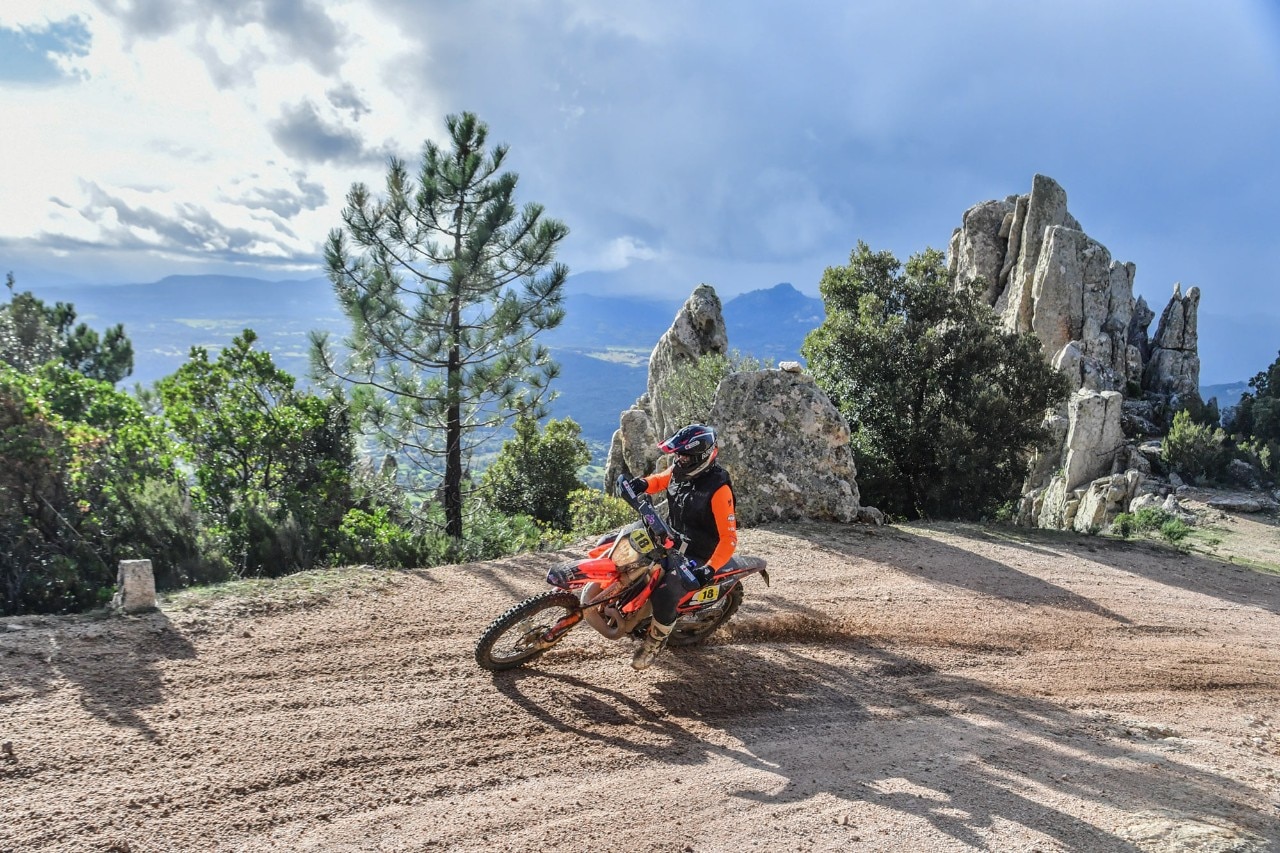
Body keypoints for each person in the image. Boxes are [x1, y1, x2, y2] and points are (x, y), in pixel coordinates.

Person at [625, 423, 738, 671]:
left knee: (665, 592)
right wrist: (642, 484)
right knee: (628, 551)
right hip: (672, 539)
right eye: (678, 454)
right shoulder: (681, 469)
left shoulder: (718, 489)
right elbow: (660, 480)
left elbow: (729, 539)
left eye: (684, 456)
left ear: (701, 457)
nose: (679, 459)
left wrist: (708, 569)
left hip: (699, 555)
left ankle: (655, 642)